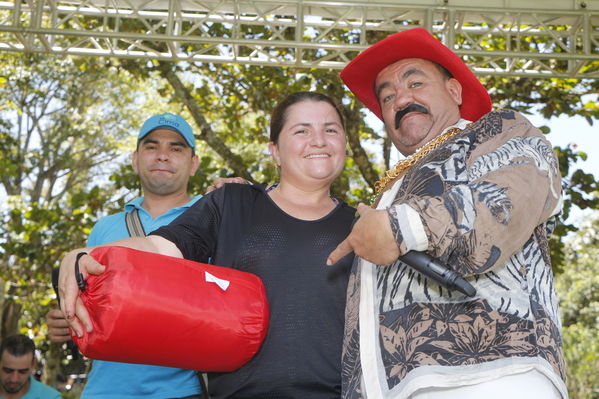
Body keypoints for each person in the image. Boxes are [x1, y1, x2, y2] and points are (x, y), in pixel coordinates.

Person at [57, 92, 356, 398]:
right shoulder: (231, 203)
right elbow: (162, 247)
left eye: (330, 130)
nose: (318, 140)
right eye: (302, 130)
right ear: (275, 151)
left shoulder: (363, 225)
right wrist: (86, 254)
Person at [326, 28, 567, 398]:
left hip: (489, 375)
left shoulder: (498, 131)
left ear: (455, 91)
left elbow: (505, 201)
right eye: (387, 97)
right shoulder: (392, 188)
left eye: (415, 82)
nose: (401, 99)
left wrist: (401, 226)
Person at [46, 112, 203, 399]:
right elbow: (90, 306)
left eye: (176, 148)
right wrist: (66, 320)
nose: (163, 156)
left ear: (194, 164)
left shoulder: (215, 218)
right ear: (135, 159)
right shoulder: (104, 228)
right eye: (152, 146)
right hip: (105, 390)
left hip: (183, 391)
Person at [0, 334, 60, 399]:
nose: (14, 379)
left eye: (22, 372)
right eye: (8, 371)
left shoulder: (51, 397)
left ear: (33, 364)